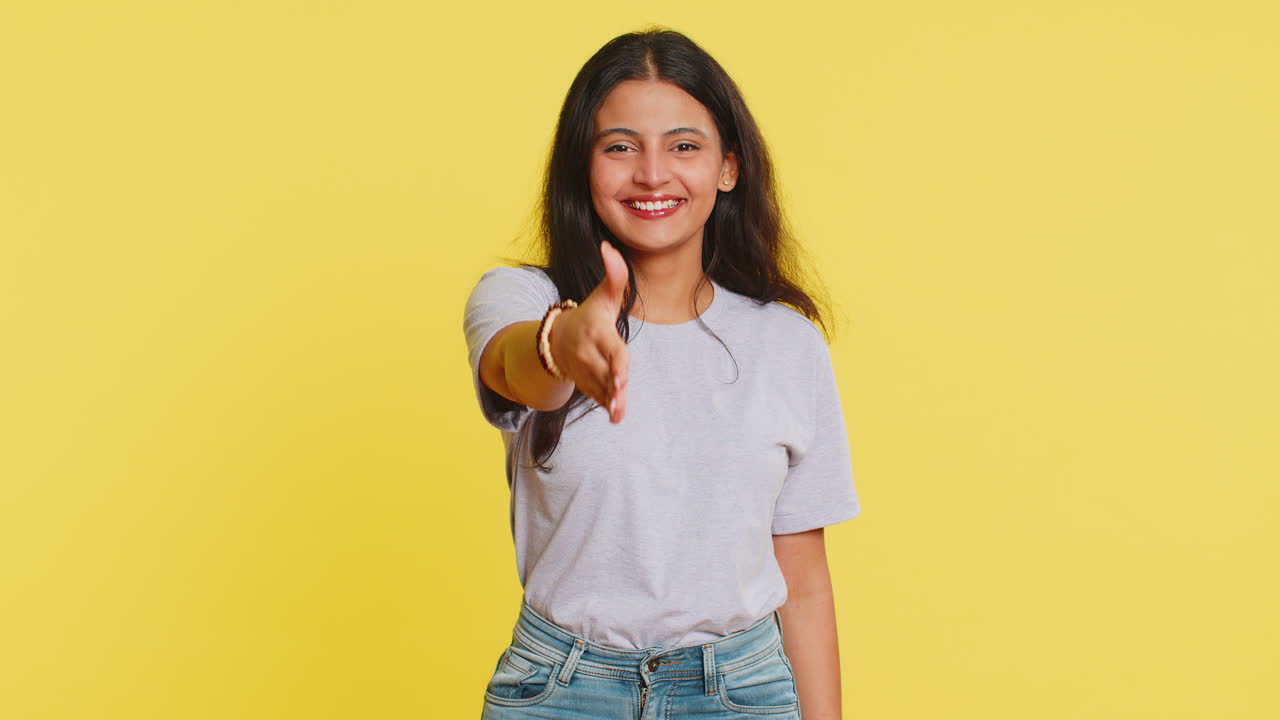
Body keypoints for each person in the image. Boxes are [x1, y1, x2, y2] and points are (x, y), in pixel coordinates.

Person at [463, 27, 861, 720]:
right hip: (560, 690)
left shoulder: (786, 343)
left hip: (742, 691)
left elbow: (803, 580)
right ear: (583, 167)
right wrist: (567, 342)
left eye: (684, 146)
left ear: (727, 168)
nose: (652, 174)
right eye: (620, 147)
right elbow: (514, 364)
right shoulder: (521, 300)